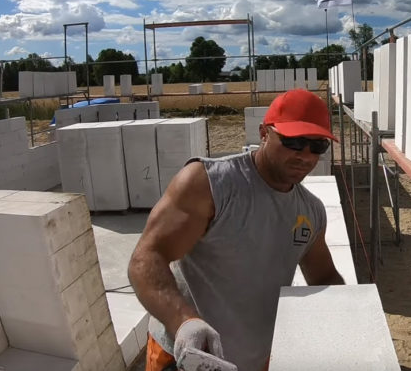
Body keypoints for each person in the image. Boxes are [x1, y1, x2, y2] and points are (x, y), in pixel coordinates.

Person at [129, 89, 345, 371]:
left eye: (317, 146)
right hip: (186, 358)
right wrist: (183, 322)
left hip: (257, 360)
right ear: (264, 133)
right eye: (294, 141)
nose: (305, 155)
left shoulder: (310, 210)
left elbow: (324, 275)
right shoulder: (210, 185)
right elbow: (146, 258)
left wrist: (351, 316)